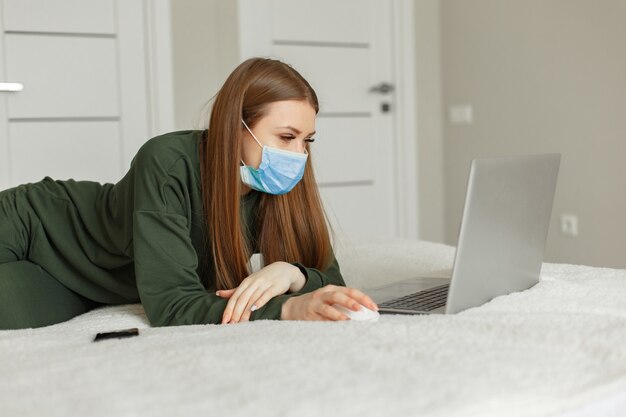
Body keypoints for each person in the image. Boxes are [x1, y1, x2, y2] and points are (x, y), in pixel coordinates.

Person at [0, 57, 379, 330]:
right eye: (286, 137)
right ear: (236, 128)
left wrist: (291, 275)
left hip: (101, 285)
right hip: (32, 226)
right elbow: (172, 307)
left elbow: (332, 283)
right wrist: (289, 310)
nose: (299, 155)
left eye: (306, 140)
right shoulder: (167, 161)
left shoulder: (279, 188)